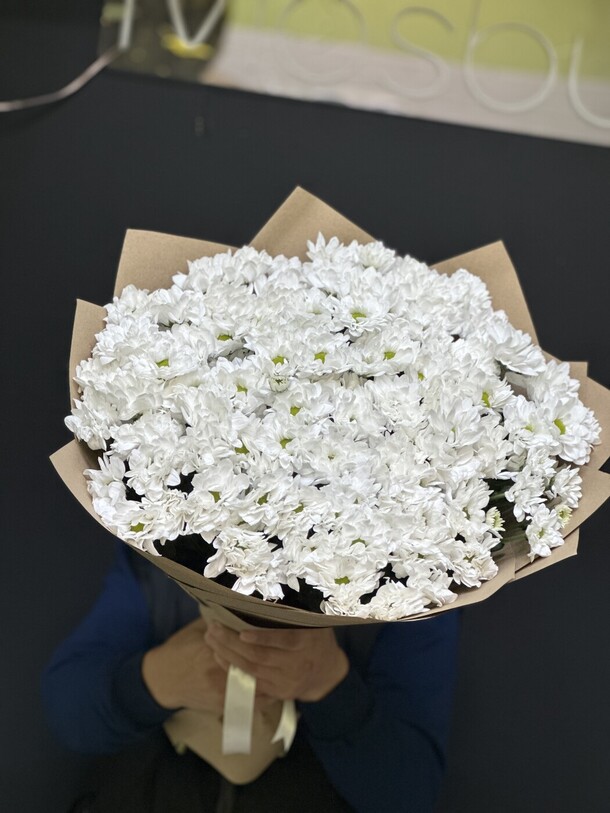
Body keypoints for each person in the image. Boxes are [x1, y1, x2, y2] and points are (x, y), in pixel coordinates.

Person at [43, 541, 460, 812]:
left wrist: (328, 685)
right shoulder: (157, 555)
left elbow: (409, 793)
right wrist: (158, 679)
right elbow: (66, 712)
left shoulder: (414, 585)